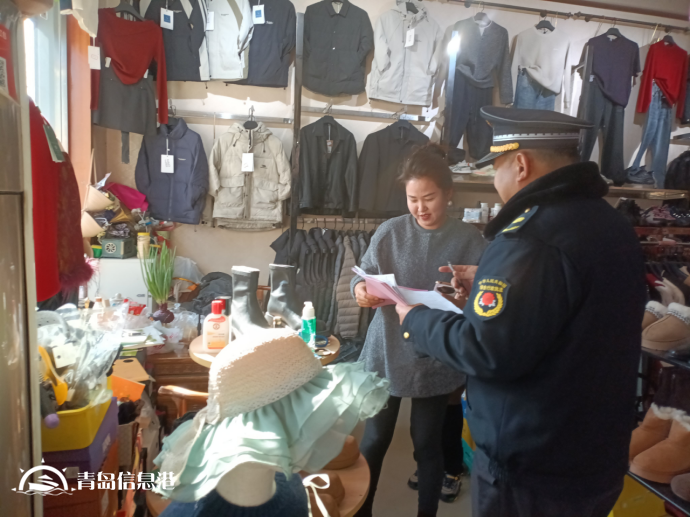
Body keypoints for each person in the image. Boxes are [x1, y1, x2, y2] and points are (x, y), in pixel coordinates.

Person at [396, 107, 647, 517]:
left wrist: (415, 319)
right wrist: (491, 282)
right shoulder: (610, 224)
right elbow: (569, 315)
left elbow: (485, 350)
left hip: (532, 471)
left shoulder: (528, 237)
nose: (495, 181)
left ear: (520, 164)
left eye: (495, 168)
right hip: (595, 455)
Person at [351, 143, 487, 517]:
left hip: (434, 354)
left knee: (427, 444)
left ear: (448, 193)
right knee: (375, 440)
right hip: (387, 349)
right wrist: (361, 290)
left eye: (429, 198)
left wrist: (466, 297)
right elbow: (362, 275)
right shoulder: (390, 232)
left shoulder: (469, 240)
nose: (421, 208)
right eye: (413, 199)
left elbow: (482, 300)